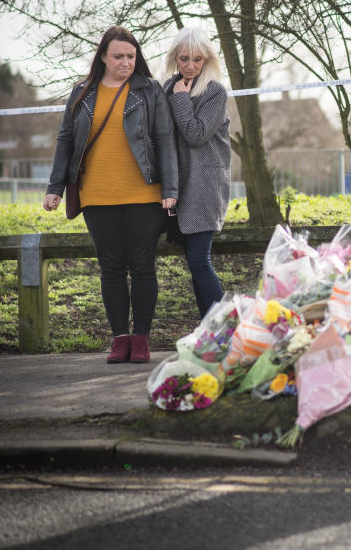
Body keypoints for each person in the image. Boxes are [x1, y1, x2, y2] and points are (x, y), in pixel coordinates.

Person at [43, 26, 178, 364]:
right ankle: (120, 338)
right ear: (103, 56)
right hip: (96, 196)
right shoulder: (81, 93)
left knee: (143, 266)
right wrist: (55, 187)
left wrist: (171, 190)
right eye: (118, 56)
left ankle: (142, 339)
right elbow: (65, 141)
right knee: (111, 267)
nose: (126, 62)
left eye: (131, 56)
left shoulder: (150, 91)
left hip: (145, 193)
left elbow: (164, 140)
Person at [161, 26, 232, 319]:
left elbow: (196, 133)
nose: (190, 66)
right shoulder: (167, 88)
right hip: (177, 184)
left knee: (200, 261)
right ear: (175, 59)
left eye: (197, 59)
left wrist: (180, 100)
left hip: (204, 184)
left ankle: (225, 327)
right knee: (194, 263)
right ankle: (210, 330)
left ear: (207, 60)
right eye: (184, 59)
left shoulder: (214, 92)